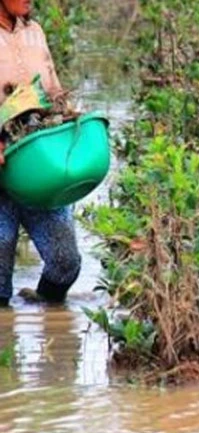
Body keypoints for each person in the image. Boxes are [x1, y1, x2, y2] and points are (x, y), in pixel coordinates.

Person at [0, 0, 81, 306]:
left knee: (66, 264)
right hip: (2, 168)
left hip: (39, 163)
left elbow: (53, 92)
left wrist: (72, 121)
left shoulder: (35, 32)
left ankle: (45, 310)